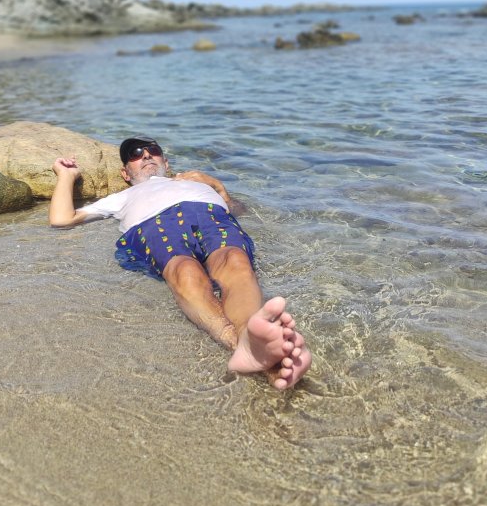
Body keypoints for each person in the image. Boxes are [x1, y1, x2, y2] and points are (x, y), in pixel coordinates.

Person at [49, 136, 311, 390]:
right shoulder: (123, 196)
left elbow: (241, 211)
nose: (146, 155)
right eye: (136, 154)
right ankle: (240, 344)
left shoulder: (196, 182)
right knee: (184, 271)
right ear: (125, 173)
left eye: (153, 151)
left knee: (235, 261)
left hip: (211, 214)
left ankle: (252, 339)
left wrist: (219, 188)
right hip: (154, 223)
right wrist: (66, 176)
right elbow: (62, 219)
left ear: (166, 163)